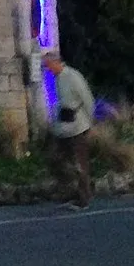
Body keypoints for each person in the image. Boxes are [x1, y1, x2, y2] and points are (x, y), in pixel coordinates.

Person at [43, 51, 96, 209]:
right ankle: (72, 191)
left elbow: (86, 98)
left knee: (80, 163)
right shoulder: (57, 79)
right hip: (63, 127)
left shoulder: (73, 77)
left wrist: (91, 120)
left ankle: (83, 198)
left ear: (56, 63)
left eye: (49, 66)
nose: (48, 69)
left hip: (77, 126)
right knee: (58, 159)